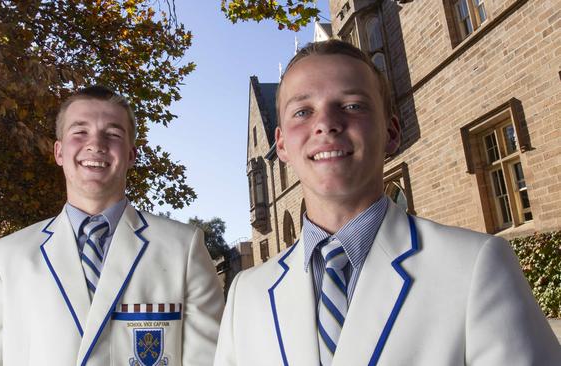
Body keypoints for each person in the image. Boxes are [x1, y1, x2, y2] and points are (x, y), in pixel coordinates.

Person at [214, 40, 560, 365]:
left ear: (392, 131)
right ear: (283, 145)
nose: (326, 124)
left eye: (352, 105)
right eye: (303, 111)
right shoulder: (247, 295)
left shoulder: (475, 267)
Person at [0, 86, 224, 366]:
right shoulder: (6, 258)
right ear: (59, 152)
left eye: (113, 134)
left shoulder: (184, 248)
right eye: (80, 132)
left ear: (132, 155)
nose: (95, 144)